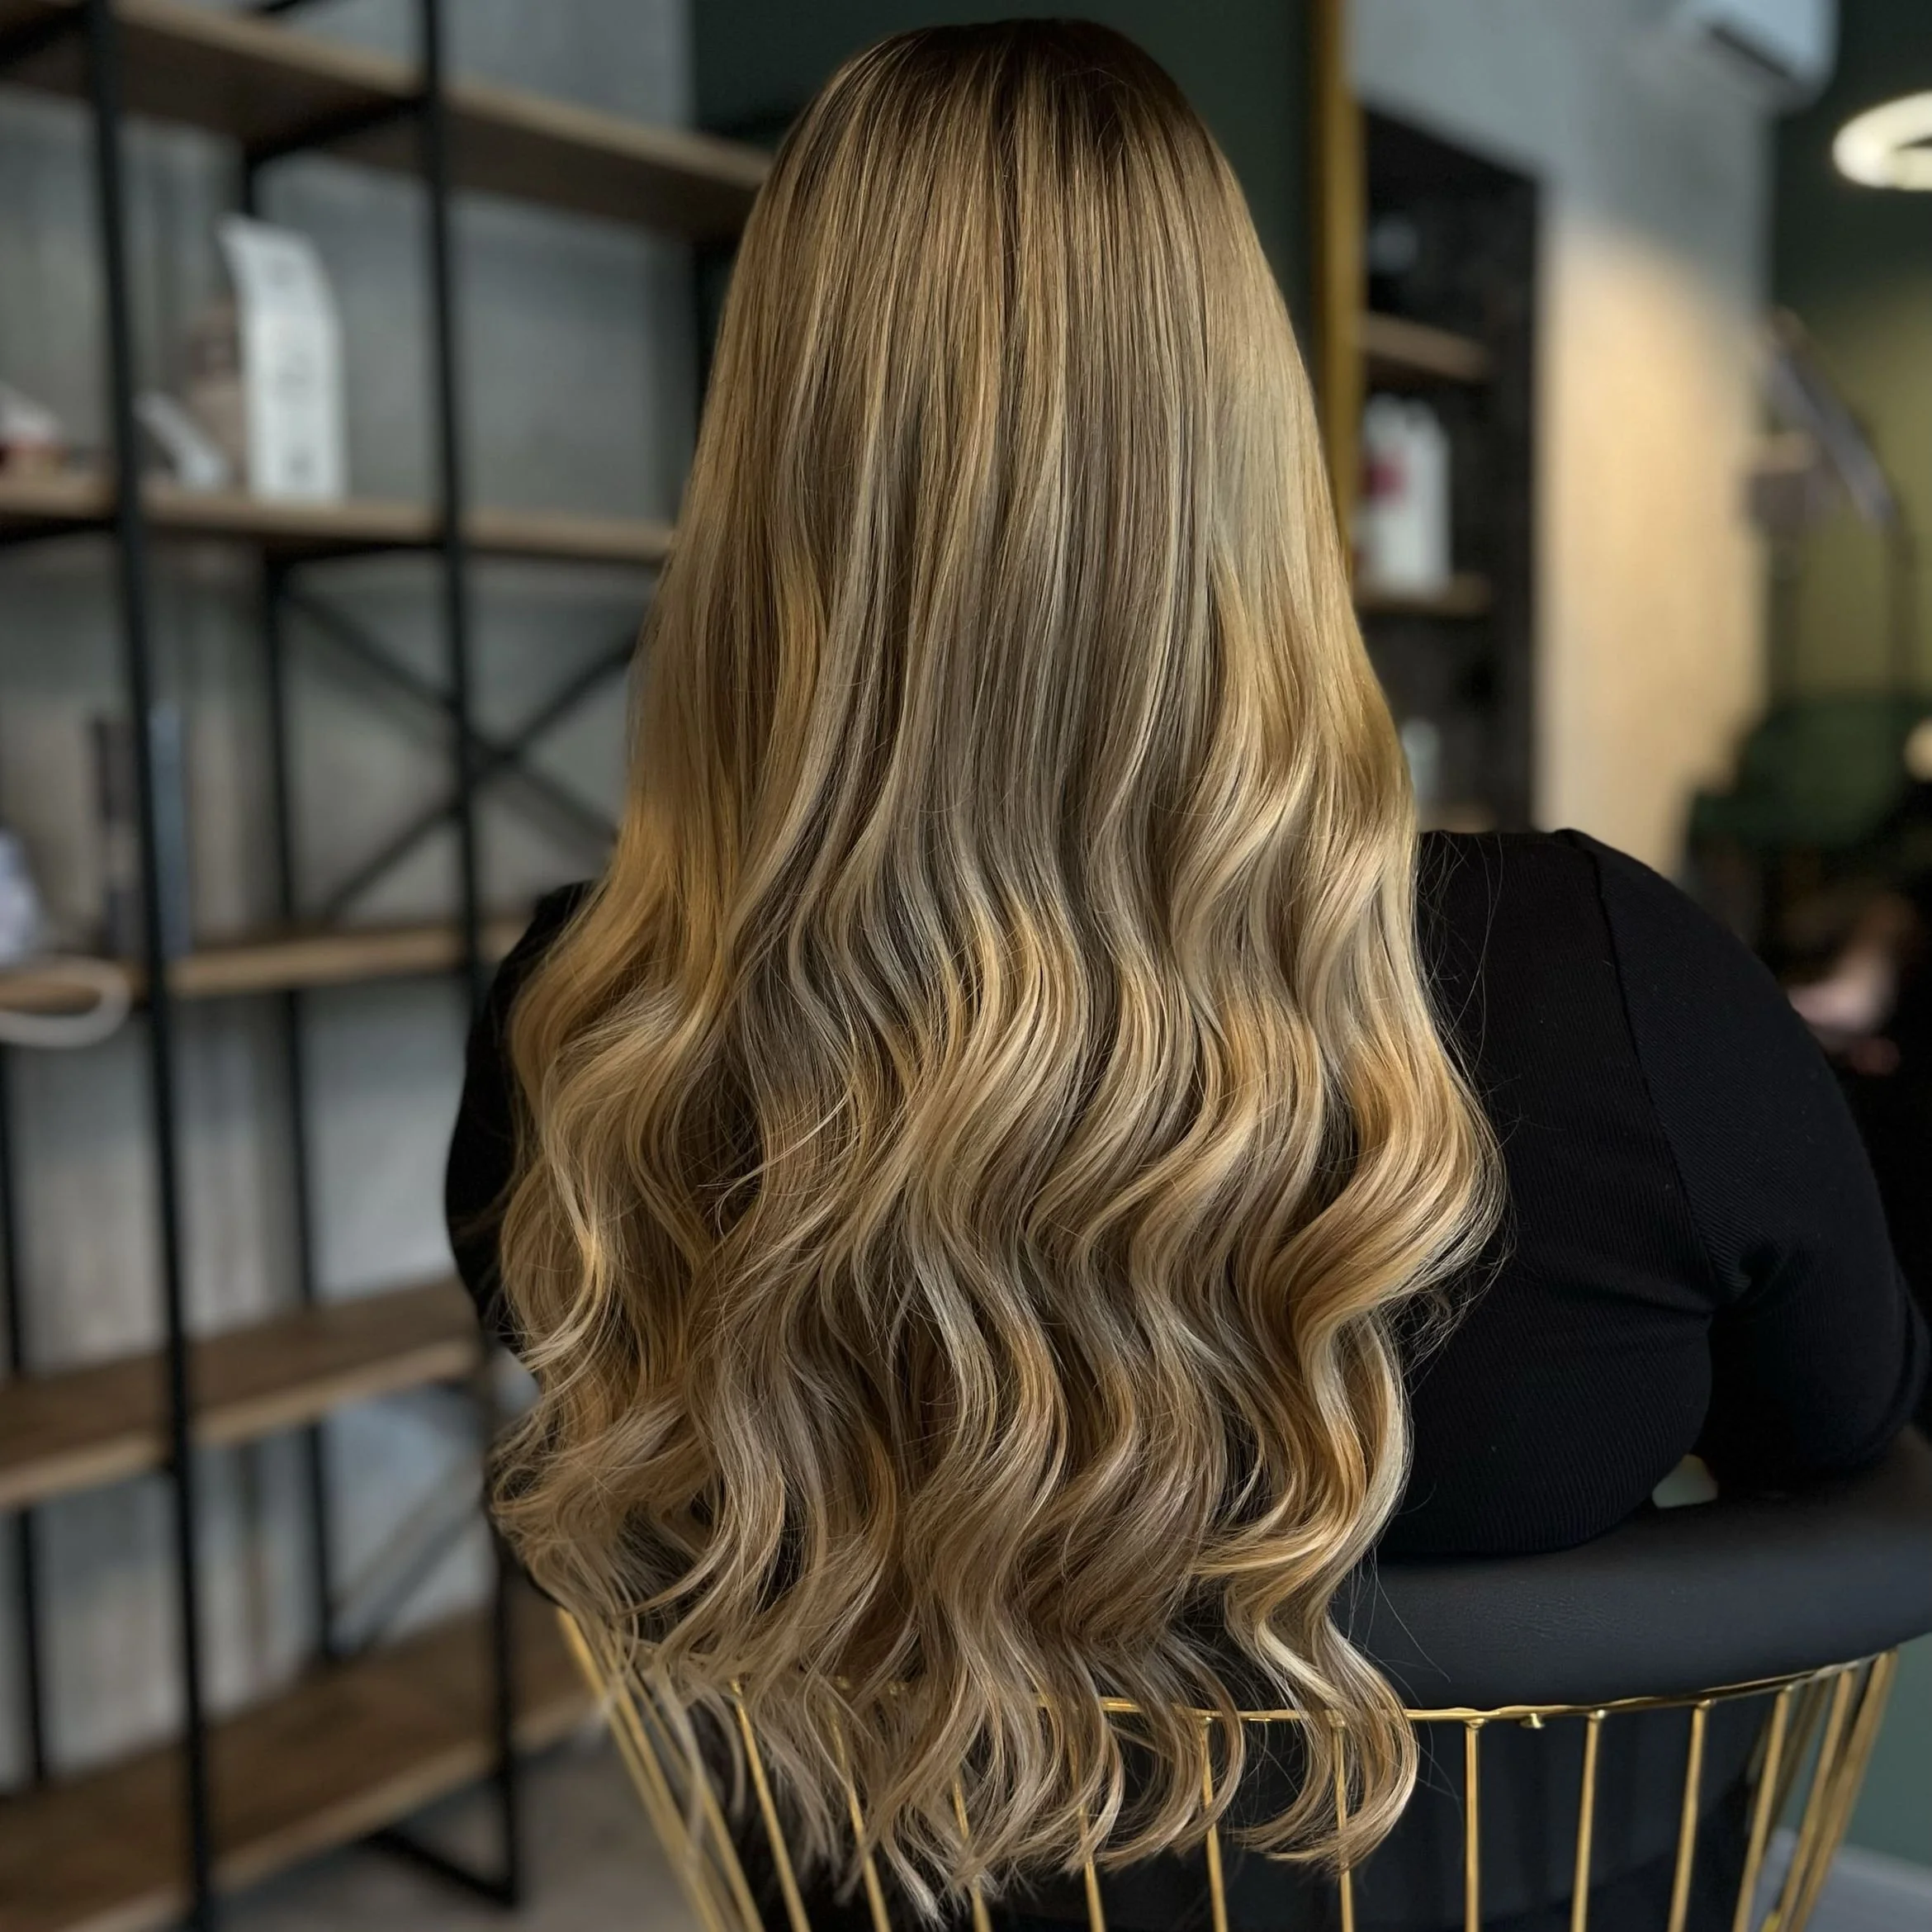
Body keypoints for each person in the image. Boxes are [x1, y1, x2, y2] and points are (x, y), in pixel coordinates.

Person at [446, 22, 1925, 1930]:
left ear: (767, 473)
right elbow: (1845, 1439)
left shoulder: (588, 1033)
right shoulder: (1613, 993)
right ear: (1248, 450)